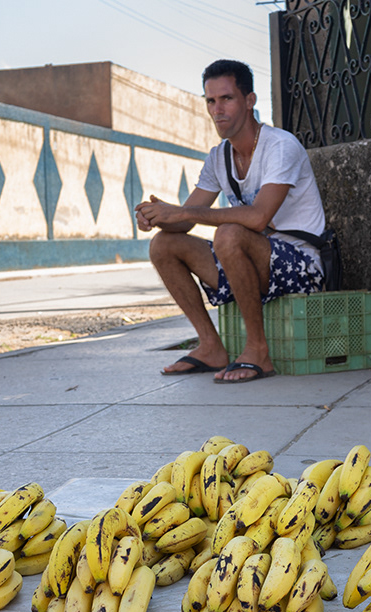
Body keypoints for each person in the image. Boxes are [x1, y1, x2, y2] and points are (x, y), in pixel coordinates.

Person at [135, 59, 327, 384]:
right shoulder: (218, 157)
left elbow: (258, 217)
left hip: (302, 266)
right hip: (252, 263)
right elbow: (183, 222)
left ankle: (258, 350)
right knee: (164, 245)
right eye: (210, 101)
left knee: (229, 234)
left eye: (227, 98)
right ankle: (210, 346)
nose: (217, 110)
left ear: (250, 100)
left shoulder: (280, 146)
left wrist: (183, 212)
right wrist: (158, 216)